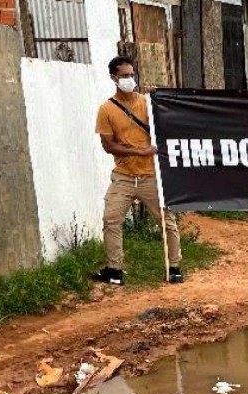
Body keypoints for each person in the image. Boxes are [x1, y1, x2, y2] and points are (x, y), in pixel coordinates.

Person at [93, 56, 183, 285]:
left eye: (131, 75)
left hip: (151, 175)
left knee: (166, 221)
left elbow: (167, 124)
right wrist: (138, 151)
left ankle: (174, 267)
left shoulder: (146, 103)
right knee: (111, 220)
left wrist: (158, 97)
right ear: (114, 77)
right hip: (123, 176)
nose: (129, 79)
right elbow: (108, 145)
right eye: (124, 76)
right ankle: (114, 269)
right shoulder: (106, 110)